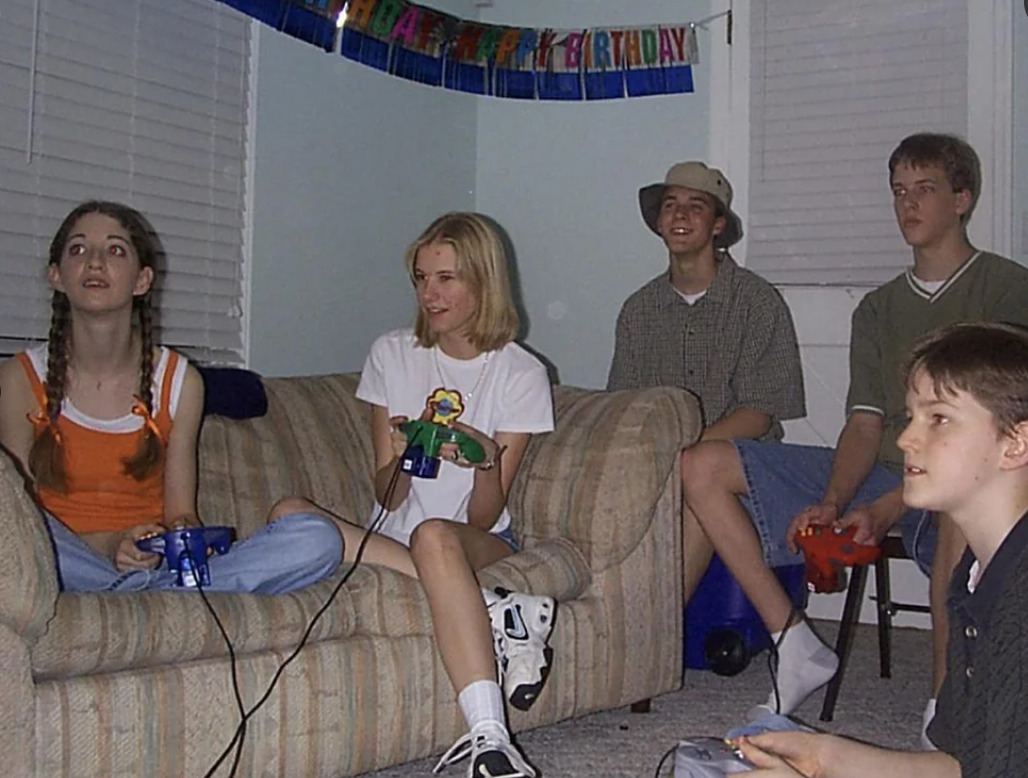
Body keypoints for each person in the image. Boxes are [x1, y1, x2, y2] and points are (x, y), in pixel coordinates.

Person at [679, 132, 1028, 725]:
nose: (907, 205)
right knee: (701, 464)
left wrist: (887, 510)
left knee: (957, 514)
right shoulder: (877, 307)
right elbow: (865, 423)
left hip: (967, 475)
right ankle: (794, 643)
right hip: (886, 468)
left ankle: (944, 709)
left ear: (963, 198)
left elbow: (998, 432)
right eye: (898, 192)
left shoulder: (1007, 288)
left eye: (925, 190)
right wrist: (834, 500)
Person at [272, 212, 556, 778]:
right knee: (289, 513)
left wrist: (485, 461)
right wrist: (406, 453)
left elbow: (487, 512)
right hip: (395, 533)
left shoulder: (521, 373)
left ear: (483, 281)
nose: (430, 293)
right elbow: (389, 495)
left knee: (436, 536)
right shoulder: (392, 353)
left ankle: (490, 738)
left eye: (446, 278)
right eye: (421, 278)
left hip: (483, 541)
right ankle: (495, 606)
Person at [0, 201, 343, 594]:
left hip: (153, 563)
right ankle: (148, 597)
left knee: (317, 538)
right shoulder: (20, 378)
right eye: (78, 249)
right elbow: (19, 520)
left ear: (142, 279)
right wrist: (112, 544)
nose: (94, 262)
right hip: (63, 561)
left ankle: (143, 596)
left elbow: (181, 513)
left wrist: (178, 539)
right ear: (56, 276)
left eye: (115, 250)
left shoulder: (180, 380)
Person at [736, 321, 1028, 778]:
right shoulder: (975, 577)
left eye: (939, 418)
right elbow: (962, 766)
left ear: (1016, 443)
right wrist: (825, 759)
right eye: (911, 416)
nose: (906, 439)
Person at [607, 161, 805, 445]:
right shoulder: (638, 311)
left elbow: (759, 414)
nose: (680, 215)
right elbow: (623, 405)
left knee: (700, 468)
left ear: (718, 224)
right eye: (670, 205)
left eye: (696, 207)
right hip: (657, 457)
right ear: (660, 222)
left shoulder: (756, 301)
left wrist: (686, 450)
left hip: (739, 457)